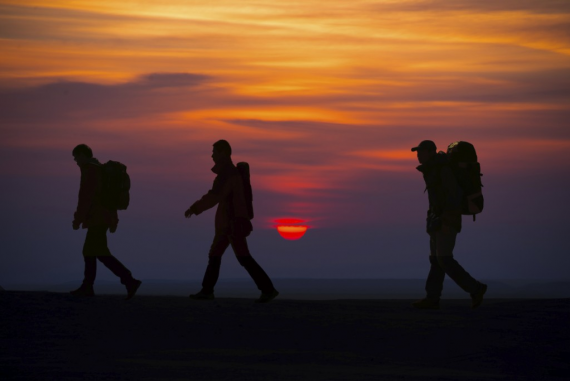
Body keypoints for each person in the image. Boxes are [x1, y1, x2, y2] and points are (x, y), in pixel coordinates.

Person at [185, 140, 279, 303]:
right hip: (229, 223)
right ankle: (207, 291)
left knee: (241, 257)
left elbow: (215, 196)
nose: (212, 155)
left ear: (223, 153)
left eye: (214, 152)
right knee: (217, 254)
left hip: (231, 224)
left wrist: (194, 208)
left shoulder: (227, 174)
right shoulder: (229, 173)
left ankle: (268, 289)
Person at [411, 140, 487, 309]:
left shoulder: (442, 169)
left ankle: (476, 288)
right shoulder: (432, 169)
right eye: (418, 152)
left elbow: (454, 196)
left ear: (431, 152)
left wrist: (446, 221)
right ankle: (432, 298)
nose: (418, 155)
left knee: (444, 259)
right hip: (436, 220)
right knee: (436, 260)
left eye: (421, 152)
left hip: (446, 221)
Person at [70, 144, 141, 299]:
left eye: (76, 157)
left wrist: (77, 219)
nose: (76, 161)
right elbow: (107, 197)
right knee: (94, 252)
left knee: (96, 252)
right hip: (103, 218)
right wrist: (114, 220)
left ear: (83, 155)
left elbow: (86, 197)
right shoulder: (99, 169)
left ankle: (128, 280)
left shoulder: (90, 170)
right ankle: (90, 286)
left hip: (97, 218)